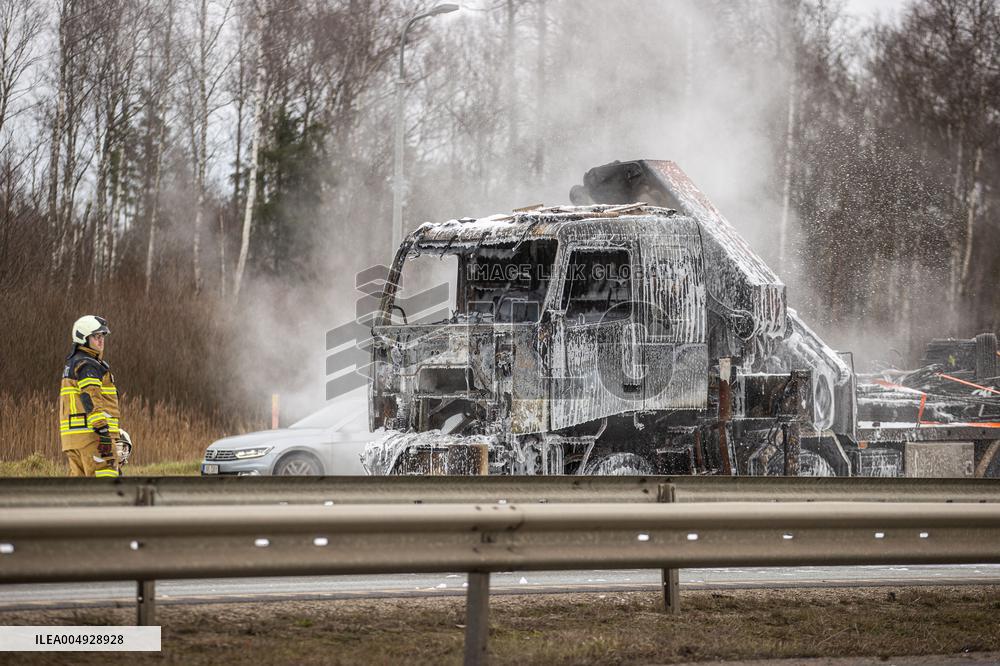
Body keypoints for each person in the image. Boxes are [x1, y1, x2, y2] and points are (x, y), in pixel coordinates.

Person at [59, 315, 123, 477]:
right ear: (83, 338)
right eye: (96, 337)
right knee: (105, 484)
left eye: (102, 336)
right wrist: (103, 431)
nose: (101, 341)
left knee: (80, 491)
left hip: (73, 439)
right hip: (94, 437)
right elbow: (91, 397)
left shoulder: (73, 364)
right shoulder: (88, 365)